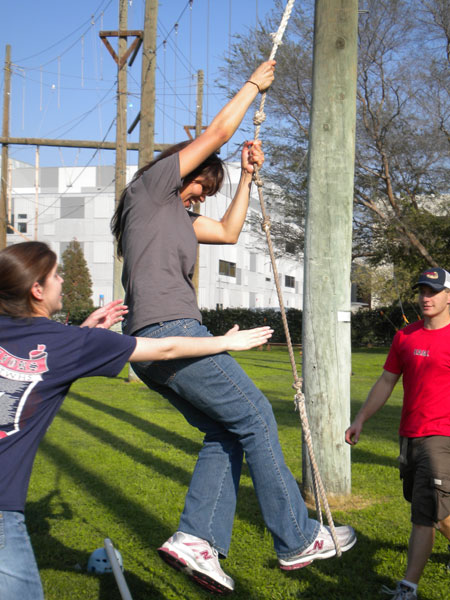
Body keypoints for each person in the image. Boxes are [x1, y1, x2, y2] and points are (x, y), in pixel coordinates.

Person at [112, 59, 356, 595]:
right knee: (257, 414)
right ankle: (297, 538)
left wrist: (246, 177)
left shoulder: (175, 216)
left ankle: (196, 540)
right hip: (171, 330)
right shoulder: (150, 190)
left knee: (228, 430)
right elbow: (219, 133)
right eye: (203, 185)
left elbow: (226, 232)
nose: (202, 197)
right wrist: (252, 86)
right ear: (183, 170)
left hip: (154, 342)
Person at [0, 241, 275, 600]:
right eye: (55, 275)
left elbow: (44, 360)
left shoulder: (63, 340)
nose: (63, 280)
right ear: (37, 290)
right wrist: (225, 342)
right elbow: (165, 348)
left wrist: (85, 332)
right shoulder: (68, 342)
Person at [345, 267, 450, 600]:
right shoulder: (406, 337)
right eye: (422, 291)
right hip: (409, 435)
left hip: (442, 437)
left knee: (424, 515)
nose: (426, 298)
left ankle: (408, 588)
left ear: (449, 296)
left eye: (433, 291)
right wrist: (360, 418)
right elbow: (387, 380)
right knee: (436, 511)